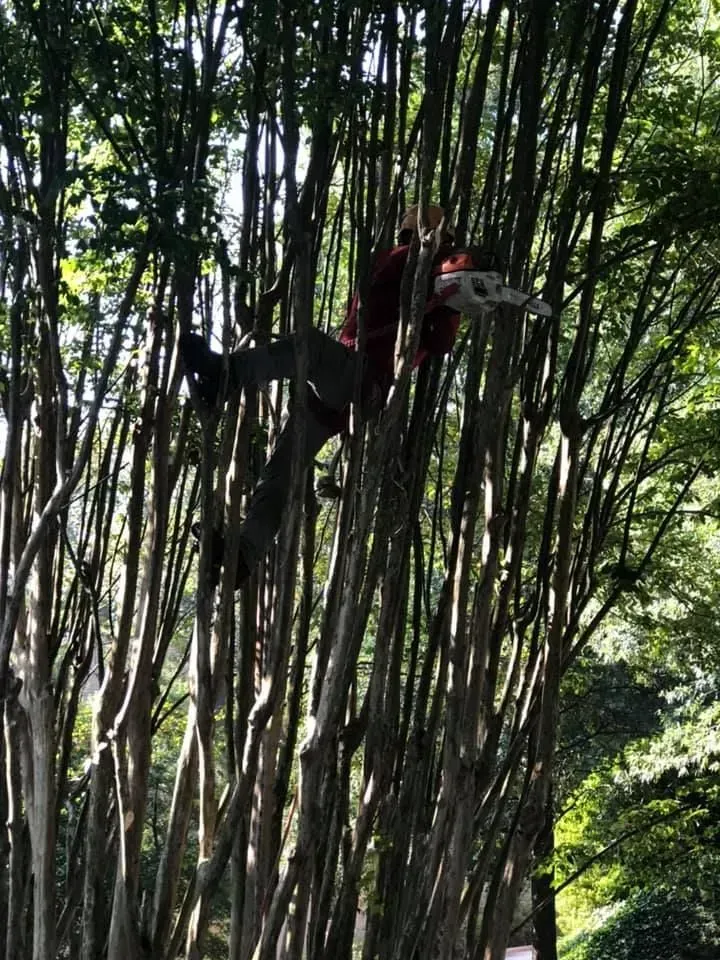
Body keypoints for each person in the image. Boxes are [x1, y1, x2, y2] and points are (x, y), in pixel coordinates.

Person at [180, 204, 461, 588]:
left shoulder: (437, 281)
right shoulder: (405, 266)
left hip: (365, 380)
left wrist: (441, 288)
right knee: (279, 472)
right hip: (345, 387)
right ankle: (243, 556)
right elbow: (380, 292)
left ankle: (227, 375)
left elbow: (440, 340)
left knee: (309, 347)